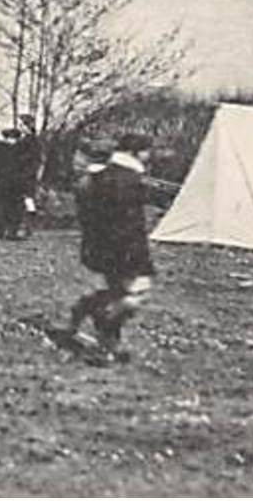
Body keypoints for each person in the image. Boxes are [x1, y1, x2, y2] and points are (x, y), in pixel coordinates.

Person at [67, 133, 156, 366]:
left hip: (102, 246)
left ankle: (108, 344)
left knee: (119, 293)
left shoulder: (99, 176)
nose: (150, 156)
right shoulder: (127, 179)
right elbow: (127, 222)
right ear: (136, 153)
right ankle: (95, 317)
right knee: (135, 294)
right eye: (147, 151)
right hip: (124, 247)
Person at [8, 114, 42, 238]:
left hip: (26, 175)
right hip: (23, 174)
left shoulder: (31, 142)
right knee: (25, 200)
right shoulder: (25, 141)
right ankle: (23, 228)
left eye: (21, 124)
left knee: (26, 199)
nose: (19, 127)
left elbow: (33, 160)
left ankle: (27, 227)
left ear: (27, 126)